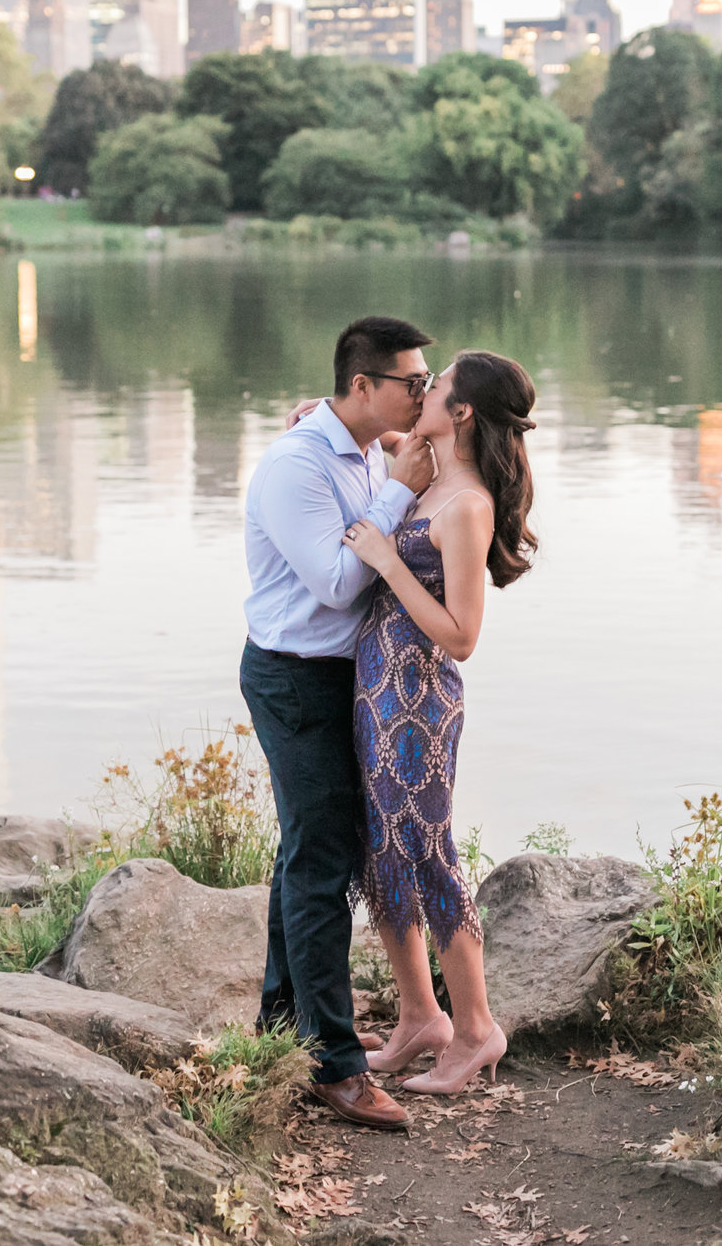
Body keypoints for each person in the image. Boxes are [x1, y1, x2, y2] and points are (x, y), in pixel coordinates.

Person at [241, 316, 438, 1131]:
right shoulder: (297, 464)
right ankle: (334, 1065)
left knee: (310, 850)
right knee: (322, 862)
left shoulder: (358, 446)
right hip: (293, 677)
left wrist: (393, 467)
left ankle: (285, 1022)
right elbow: (332, 581)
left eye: (427, 383)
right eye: (412, 383)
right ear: (364, 384)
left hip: (335, 678)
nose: (422, 394)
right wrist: (398, 488)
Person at [340, 350, 540, 1094]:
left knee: (428, 855)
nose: (421, 391)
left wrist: (388, 562)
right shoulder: (427, 465)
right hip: (376, 691)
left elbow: (460, 635)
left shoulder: (468, 504)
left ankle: (477, 1029)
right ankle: (420, 1018)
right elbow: (374, 434)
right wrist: (317, 416)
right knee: (382, 851)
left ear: (460, 413)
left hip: (419, 702)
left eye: (437, 385)